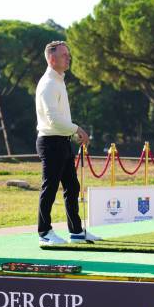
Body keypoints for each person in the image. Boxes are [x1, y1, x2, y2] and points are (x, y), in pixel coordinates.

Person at [35, 41, 100, 246]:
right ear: (52, 59)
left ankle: (76, 232)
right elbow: (53, 120)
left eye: (68, 55)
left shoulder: (59, 81)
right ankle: (44, 232)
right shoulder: (48, 84)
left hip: (61, 141)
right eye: (64, 55)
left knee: (72, 186)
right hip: (49, 142)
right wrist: (77, 129)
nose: (68, 58)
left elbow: (61, 118)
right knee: (50, 188)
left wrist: (72, 135)